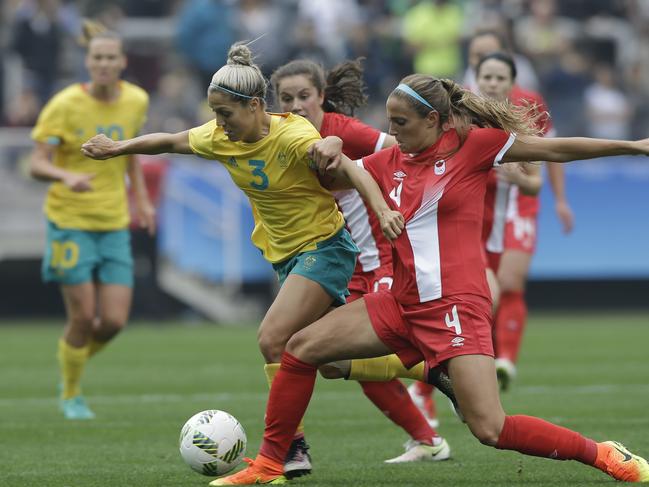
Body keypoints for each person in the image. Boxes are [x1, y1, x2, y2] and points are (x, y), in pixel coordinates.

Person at [209, 75, 649, 485]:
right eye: (390, 123)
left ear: (433, 120)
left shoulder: (473, 147)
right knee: (299, 349)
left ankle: (604, 454)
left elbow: (556, 150)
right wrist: (332, 145)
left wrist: (633, 146)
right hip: (399, 304)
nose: (393, 131)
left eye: (401, 123)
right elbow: (334, 172)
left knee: (491, 429)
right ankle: (270, 464)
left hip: (455, 307)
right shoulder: (387, 162)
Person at [80, 42, 406, 478]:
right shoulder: (220, 136)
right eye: (214, 113)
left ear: (255, 106)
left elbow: (352, 168)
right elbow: (172, 141)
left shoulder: (292, 136)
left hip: (324, 249)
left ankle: (290, 451)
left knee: (273, 339)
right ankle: (424, 363)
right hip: (286, 258)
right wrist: (119, 148)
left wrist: (381, 208)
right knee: (327, 362)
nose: (218, 123)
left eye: (225, 113)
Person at [271, 57, 449, 463]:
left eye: (304, 96)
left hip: (377, 263)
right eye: (286, 98)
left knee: (332, 352)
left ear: (321, 97)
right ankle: (428, 427)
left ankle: (438, 386)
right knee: (334, 362)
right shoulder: (281, 136)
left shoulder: (341, 131)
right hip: (339, 266)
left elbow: (402, 150)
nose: (296, 105)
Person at [28, 24, 154, 420]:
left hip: (114, 221)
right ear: (88, 61)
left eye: (110, 57)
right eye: (97, 57)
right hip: (70, 220)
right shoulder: (64, 104)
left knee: (114, 321)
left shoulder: (136, 100)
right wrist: (67, 176)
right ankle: (71, 391)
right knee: (82, 316)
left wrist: (143, 200)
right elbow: (36, 163)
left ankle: (73, 357)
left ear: (122, 61)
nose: (103, 63)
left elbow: (129, 151)